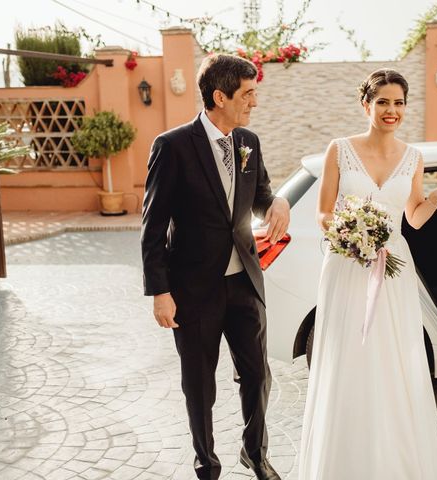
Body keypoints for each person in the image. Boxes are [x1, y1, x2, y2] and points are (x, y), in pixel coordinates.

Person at [298, 68, 437, 479]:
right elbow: (324, 211)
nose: (391, 110)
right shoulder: (339, 149)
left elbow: (411, 218)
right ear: (366, 105)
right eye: (382, 102)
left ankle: (392, 456)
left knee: (392, 358)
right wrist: (350, 234)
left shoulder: (413, 157)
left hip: (393, 269)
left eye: (398, 103)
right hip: (347, 265)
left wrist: (434, 196)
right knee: (349, 356)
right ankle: (343, 459)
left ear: (405, 107)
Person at [141, 53, 290, 480]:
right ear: (219, 96)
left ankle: (254, 453)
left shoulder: (248, 141)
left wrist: (276, 200)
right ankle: (206, 462)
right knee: (200, 386)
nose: (254, 102)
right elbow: (152, 226)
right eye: (248, 94)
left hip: (244, 281)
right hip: (193, 290)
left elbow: (258, 193)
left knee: (258, 376)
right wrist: (160, 292)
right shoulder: (172, 146)